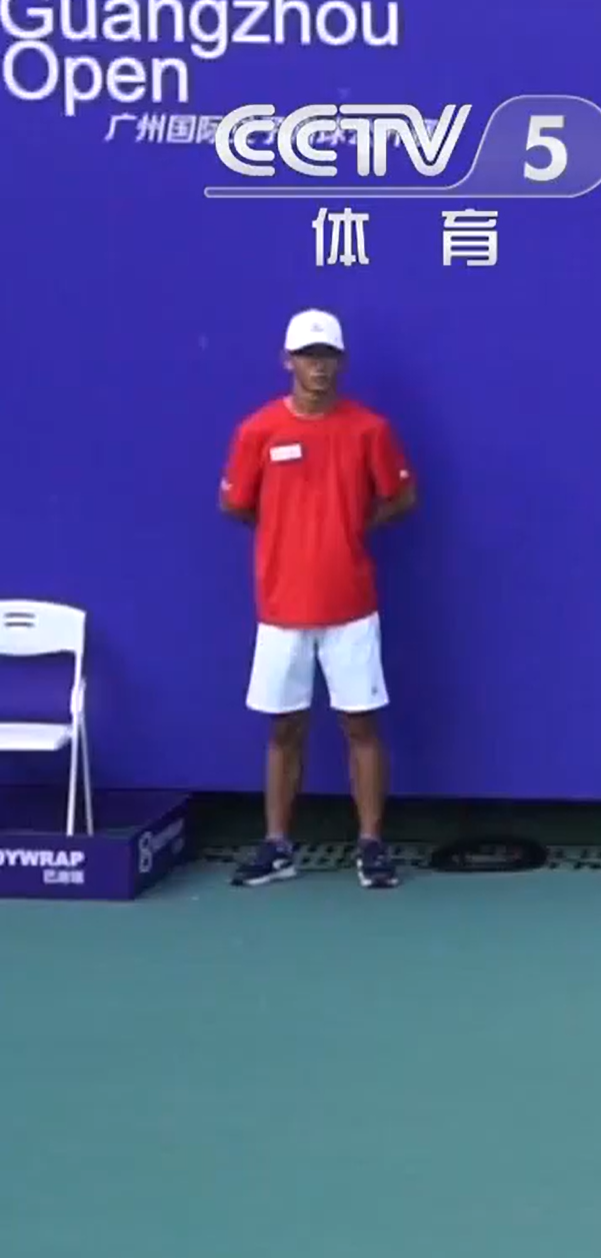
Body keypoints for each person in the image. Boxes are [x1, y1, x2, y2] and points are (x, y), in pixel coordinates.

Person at [218, 307, 416, 891]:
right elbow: (235, 504)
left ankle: (372, 845)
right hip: (281, 609)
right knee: (284, 730)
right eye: (307, 355)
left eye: (327, 356)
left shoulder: (369, 430)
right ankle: (278, 845)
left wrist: (347, 531)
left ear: (342, 362)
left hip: (351, 605)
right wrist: (289, 536)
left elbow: (402, 498)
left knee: (361, 725)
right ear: (287, 361)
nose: (318, 367)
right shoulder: (257, 430)